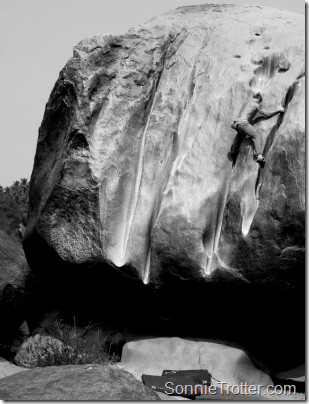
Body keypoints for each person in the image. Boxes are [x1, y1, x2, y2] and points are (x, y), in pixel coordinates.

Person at [231, 92, 284, 166]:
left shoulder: (246, 104)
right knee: (256, 136)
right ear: (258, 99)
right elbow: (266, 114)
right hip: (243, 123)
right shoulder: (256, 105)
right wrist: (278, 110)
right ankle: (259, 156)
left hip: (236, 124)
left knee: (240, 134)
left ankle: (234, 149)